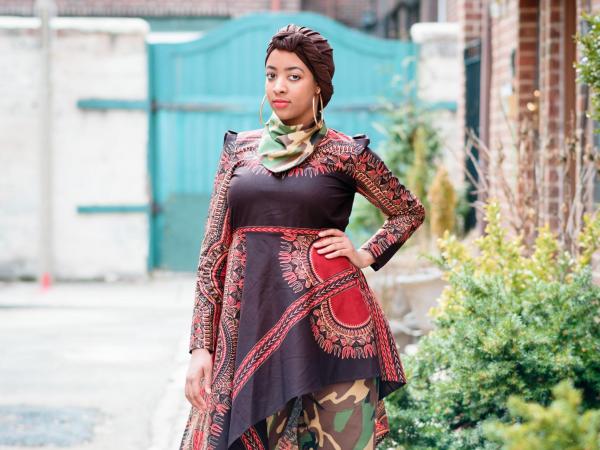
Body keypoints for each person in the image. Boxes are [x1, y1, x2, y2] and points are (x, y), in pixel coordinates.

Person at [179, 23, 426, 450]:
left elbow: (407, 212)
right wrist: (201, 347)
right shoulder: (239, 150)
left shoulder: (345, 152)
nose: (279, 86)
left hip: (335, 336)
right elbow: (212, 255)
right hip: (247, 331)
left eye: (294, 76)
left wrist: (365, 254)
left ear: (317, 86)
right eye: (271, 74)